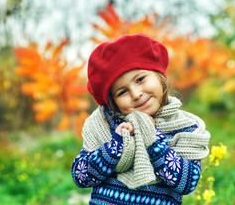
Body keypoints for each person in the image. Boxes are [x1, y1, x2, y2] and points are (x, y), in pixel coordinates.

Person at [71, 33, 211, 205]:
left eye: (140, 79)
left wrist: (152, 138)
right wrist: (115, 147)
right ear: (112, 102)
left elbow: (187, 183)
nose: (136, 94)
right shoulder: (106, 124)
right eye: (122, 92)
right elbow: (81, 176)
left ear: (159, 76)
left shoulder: (184, 128)